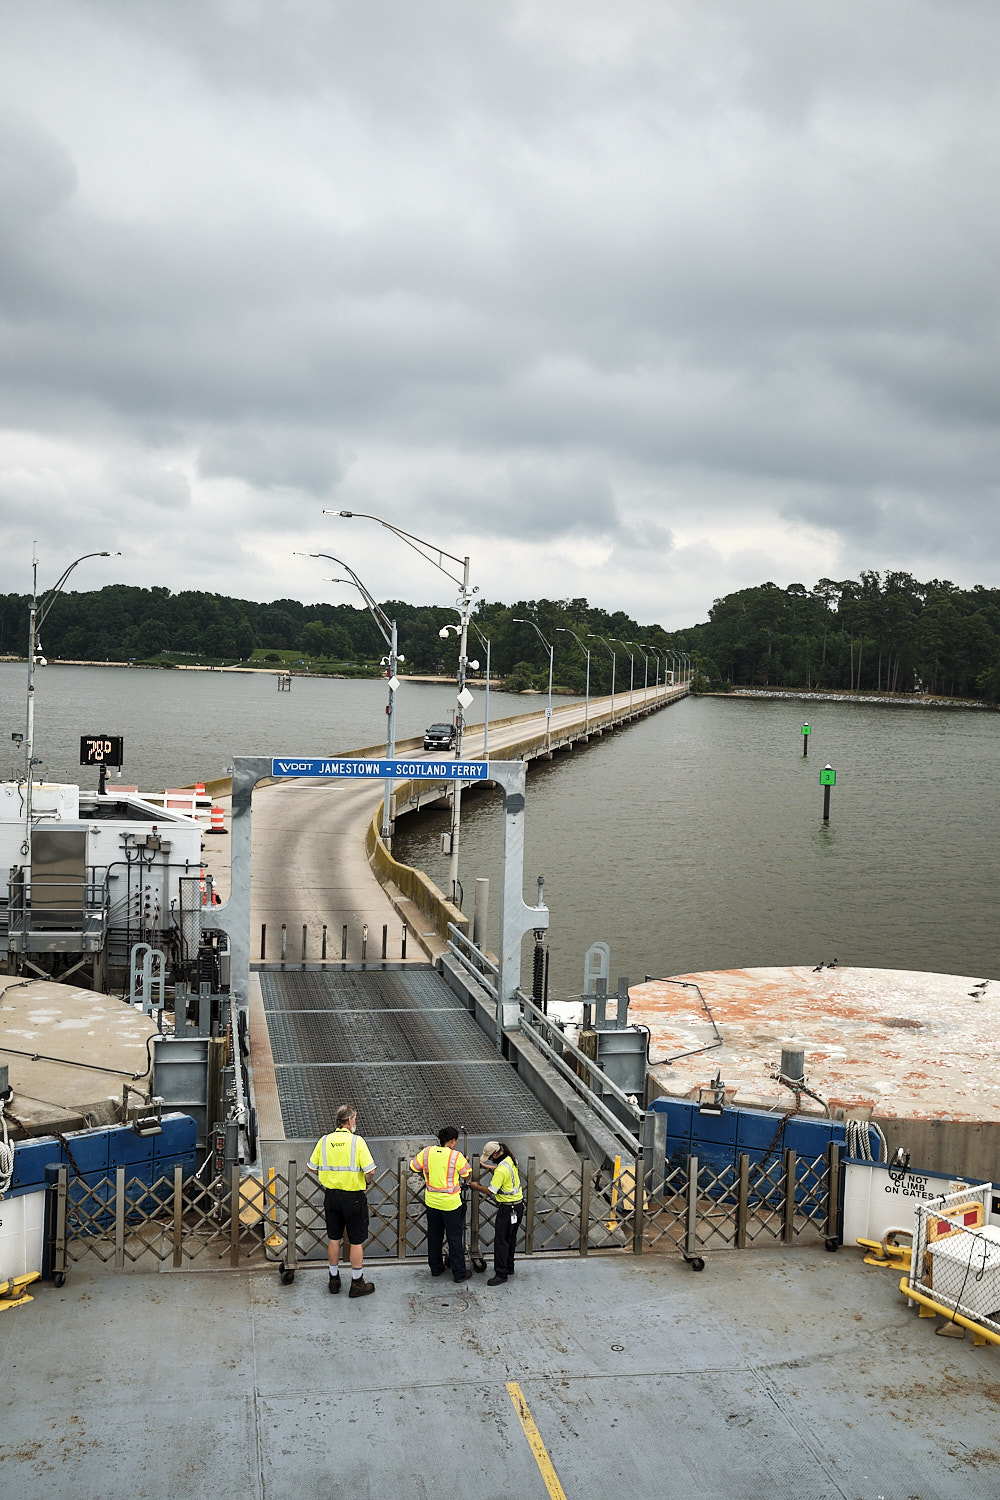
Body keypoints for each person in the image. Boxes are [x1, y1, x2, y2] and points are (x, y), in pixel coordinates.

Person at [308, 1103, 376, 1298]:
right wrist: (366, 1183)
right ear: (350, 1120)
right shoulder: (357, 1142)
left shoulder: (324, 1140)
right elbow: (370, 1170)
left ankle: (334, 1280)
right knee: (355, 1240)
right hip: (353, 1197)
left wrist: (328, 1176)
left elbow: (312, 1167)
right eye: (355, 1118)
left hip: (331, 1196)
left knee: (334, 1238)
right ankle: (357, 1283)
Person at [411, 1125, 472, 1283]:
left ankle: (436, 1268)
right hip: (451, 1203)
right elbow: (467, 1176)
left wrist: (428, 1175)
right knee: (454, 1238)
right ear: (452, 1141)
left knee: (434, 1236)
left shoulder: (427, 1152)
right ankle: (459, 1273)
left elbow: (414, 1166)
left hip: (432, 1201)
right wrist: (465, 1162)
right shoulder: (456, 1156)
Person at [472, 1140, 523, 1286]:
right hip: (518, 1206)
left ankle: (501, 1274)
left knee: (501, 1242)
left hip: (507, 1209)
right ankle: (509, 1267)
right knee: (510, 1239)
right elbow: (501, 1170)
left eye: (490, 1158)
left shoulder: (501, 1170)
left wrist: (476, 1186)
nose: (490, 1160)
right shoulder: (510, 1160)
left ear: (495, 1154)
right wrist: (487, 1167)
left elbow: (491, 1191)